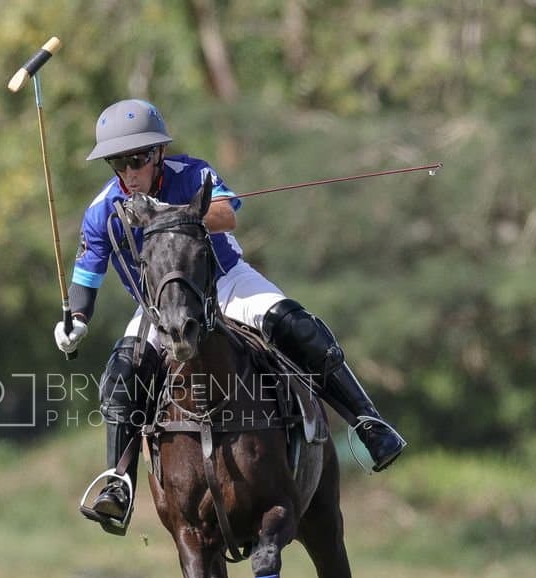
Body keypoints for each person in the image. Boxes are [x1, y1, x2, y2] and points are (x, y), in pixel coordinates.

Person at [55, 99, 405, 531]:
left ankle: (369, 424)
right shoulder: (101, 211)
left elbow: (225, 215)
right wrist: (76, 320)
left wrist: (167, 214)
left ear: (158, 153)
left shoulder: (193, 174)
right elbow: (85, 279)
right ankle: (118, 481)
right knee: (120, 374)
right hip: (160, 305)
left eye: (137, 159)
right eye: (117, 163)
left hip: (225, 279)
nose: (129, 172)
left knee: (297, 327)